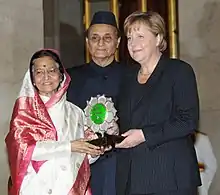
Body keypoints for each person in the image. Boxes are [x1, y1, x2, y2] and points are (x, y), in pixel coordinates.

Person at [115, 11, 201, 195]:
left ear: (158, 38)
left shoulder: (178, 71)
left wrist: (144, 135)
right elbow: (124, 121)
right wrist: (109, 131)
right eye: (129, 38)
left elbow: (187, 121)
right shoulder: (127, 77)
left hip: (169, 177)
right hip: (132, 179)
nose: (133, 44)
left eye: (140, 36)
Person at [5, 49, 103, 195]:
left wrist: (93, 151)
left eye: (52, 70)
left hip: (69, 188)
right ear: (32, 79)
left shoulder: (75, 112)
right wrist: (69, 146)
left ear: (61, 74)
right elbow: (23, 150)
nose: (46, 77)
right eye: (39, 72)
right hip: (35, 187)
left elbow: (80, 156)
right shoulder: (25, 111)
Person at [67, 11, 124, 195]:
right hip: (83, 165)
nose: (100, 43)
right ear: (87, 43)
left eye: (108, 37)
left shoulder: (133, 76)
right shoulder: (69, 78)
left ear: (118, 42)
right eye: (95, 37)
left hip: (124, 165)